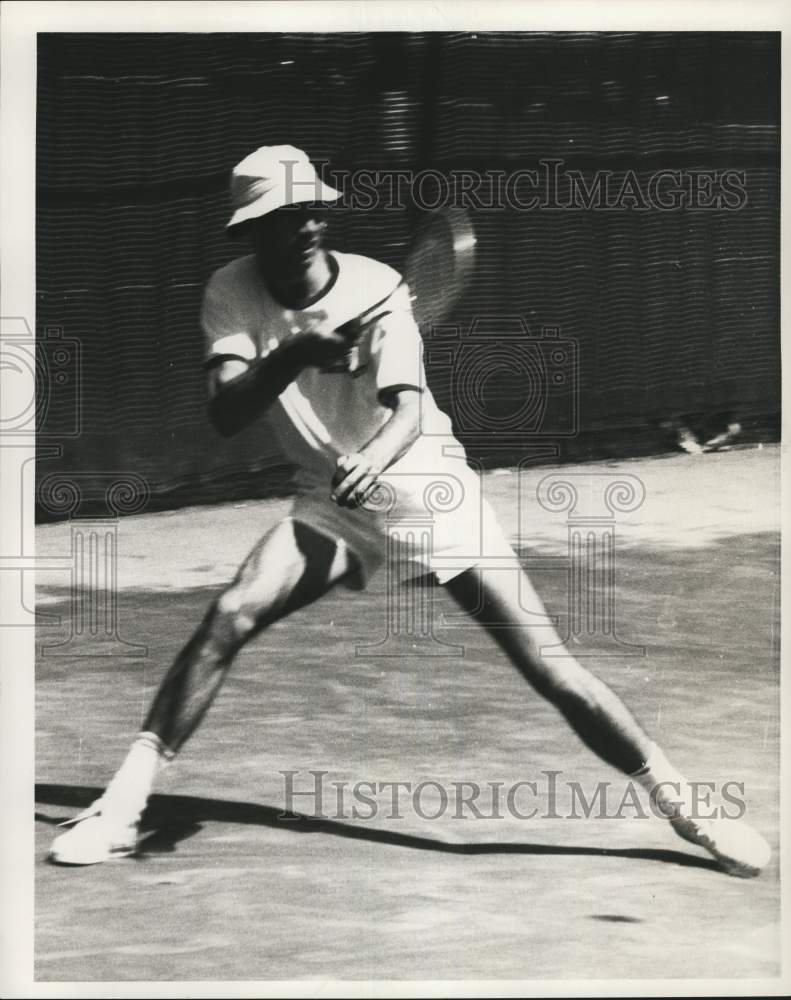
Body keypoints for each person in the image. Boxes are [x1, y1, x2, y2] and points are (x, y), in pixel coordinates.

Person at [50, 145, 770, 877]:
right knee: (229, 614)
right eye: (287, 215)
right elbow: (227, 413)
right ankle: (122, 811)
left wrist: (378, 455)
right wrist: (296, 352)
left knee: (549, 667)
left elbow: (407, 410)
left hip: (428, 491)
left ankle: (687, 810)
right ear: (251, 229)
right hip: (331, 504)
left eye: (313, 210)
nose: (307, 226)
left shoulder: (379, 287)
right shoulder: (229, 292)